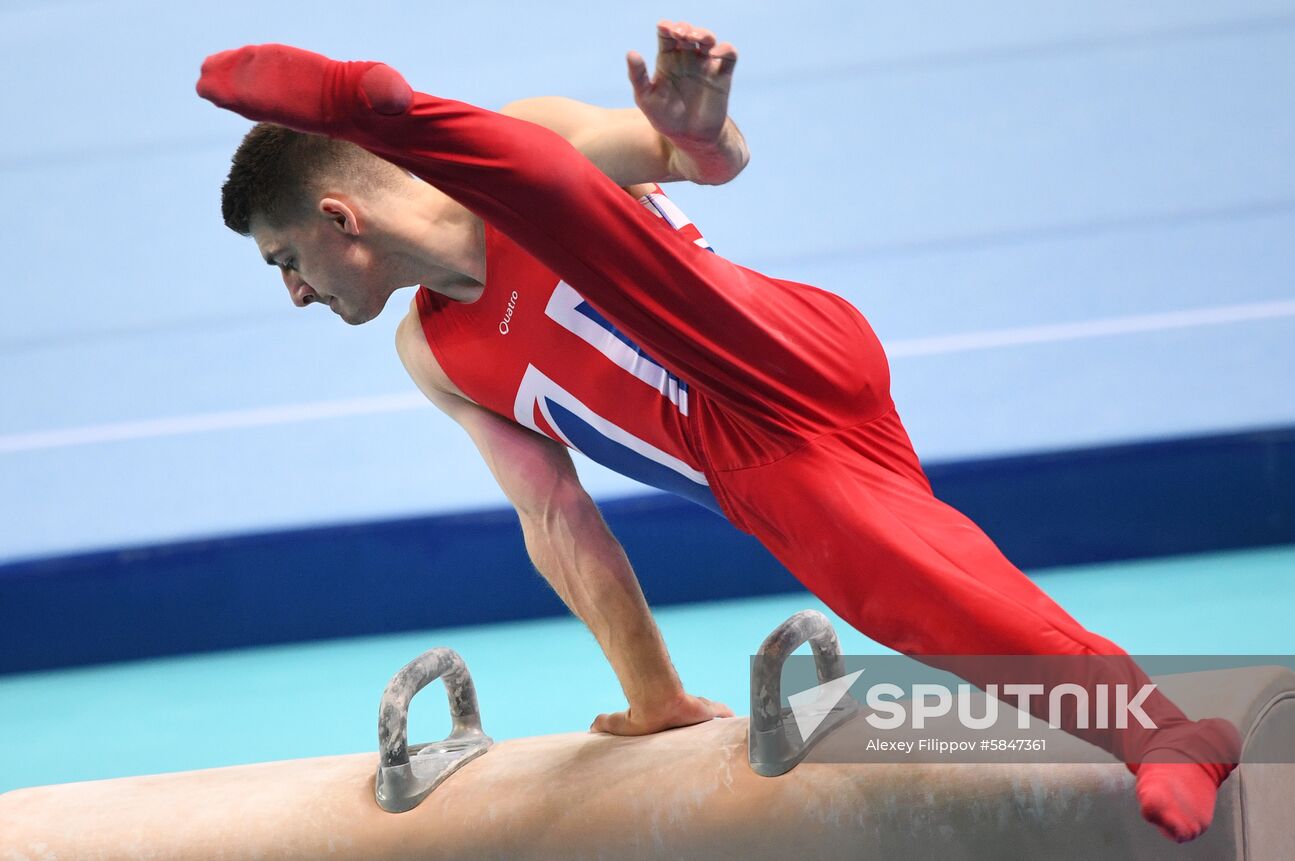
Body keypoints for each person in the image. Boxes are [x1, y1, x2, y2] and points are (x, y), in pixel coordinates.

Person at [197, 21, 1240, 843]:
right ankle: (1160, 734)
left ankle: (388, 111)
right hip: (774, 464)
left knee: (563, 212)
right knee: (919, 585)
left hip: (754, 345)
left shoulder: (534, 139)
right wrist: (652, 696)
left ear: (339, 219)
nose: (293, 294)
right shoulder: (433, 356)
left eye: (283, 259)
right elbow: (557, 520)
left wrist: (697, 130)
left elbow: (696, 160)